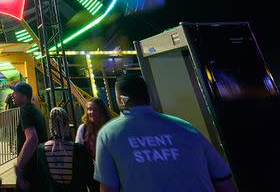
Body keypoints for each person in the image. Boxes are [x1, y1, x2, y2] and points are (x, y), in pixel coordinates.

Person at [95, 73, 237, 192]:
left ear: (120, 100)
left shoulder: (108, 134)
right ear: (147, 96)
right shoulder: (185, 127)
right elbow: (223, 179)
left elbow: (108, 188)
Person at [37, 107, 98, 192]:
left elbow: (41, 182)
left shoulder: (41, 150)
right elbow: (93, 183)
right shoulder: (79, 150)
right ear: (67, 124)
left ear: (50, 124)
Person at [11, 82, 47, 191]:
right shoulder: (35, 110)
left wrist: (19, 167)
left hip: (29, 167)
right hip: (38, 166)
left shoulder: (25, 109)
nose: (12, 95)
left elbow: (32, 139)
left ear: (24, 96)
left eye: (15, 92)